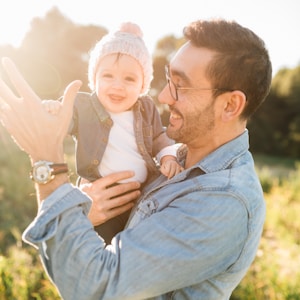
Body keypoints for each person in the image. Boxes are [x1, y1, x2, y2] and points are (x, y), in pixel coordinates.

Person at [0, 18, 272, 299]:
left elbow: (96, 286)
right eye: (168, 79)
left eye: (180, 85)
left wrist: (47, 161)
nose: (164, 96)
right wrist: (83, 214)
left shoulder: (224, 200)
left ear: (230, 105)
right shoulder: (180, 155)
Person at [41, 22, 183, 244]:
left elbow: (158, 137)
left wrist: (168, 156)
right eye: (108, 76)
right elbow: (63, 122)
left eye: (129, 79)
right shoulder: (84, 106)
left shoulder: (145, 108)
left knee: (138, 245)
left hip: (140, 198)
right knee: (100, 244)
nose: (118, 86)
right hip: (101, 197)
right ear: (94, 78)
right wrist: (54, 111)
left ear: (142, 85)